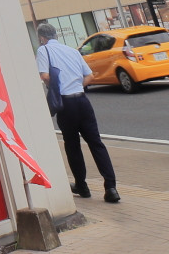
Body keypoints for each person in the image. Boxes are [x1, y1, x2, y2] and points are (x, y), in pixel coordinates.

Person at [36, 23, 120, 203]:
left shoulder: (44, 51)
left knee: (72, 145)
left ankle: (82, 186)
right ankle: (111, 187)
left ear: (42, 38)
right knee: (96, 143)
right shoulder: (72, 51)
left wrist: (59, 86)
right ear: (55, 35)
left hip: (66, 104)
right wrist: (75, 84)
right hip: (82, 101)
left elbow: (44, 76)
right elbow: (90, 76)